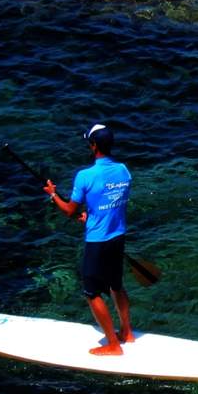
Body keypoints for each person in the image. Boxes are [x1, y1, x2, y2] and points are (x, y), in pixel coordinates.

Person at [44, 124, 134, 355]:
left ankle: (113, 345)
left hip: (98, 241)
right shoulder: (124, 171)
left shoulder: (85, 176)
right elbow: (109, 204)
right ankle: (127, 332)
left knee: (91, 292)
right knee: (116, 285)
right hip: (118, 236)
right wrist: (91, 215)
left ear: (93, 146)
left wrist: (53, 194)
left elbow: (69, 210)